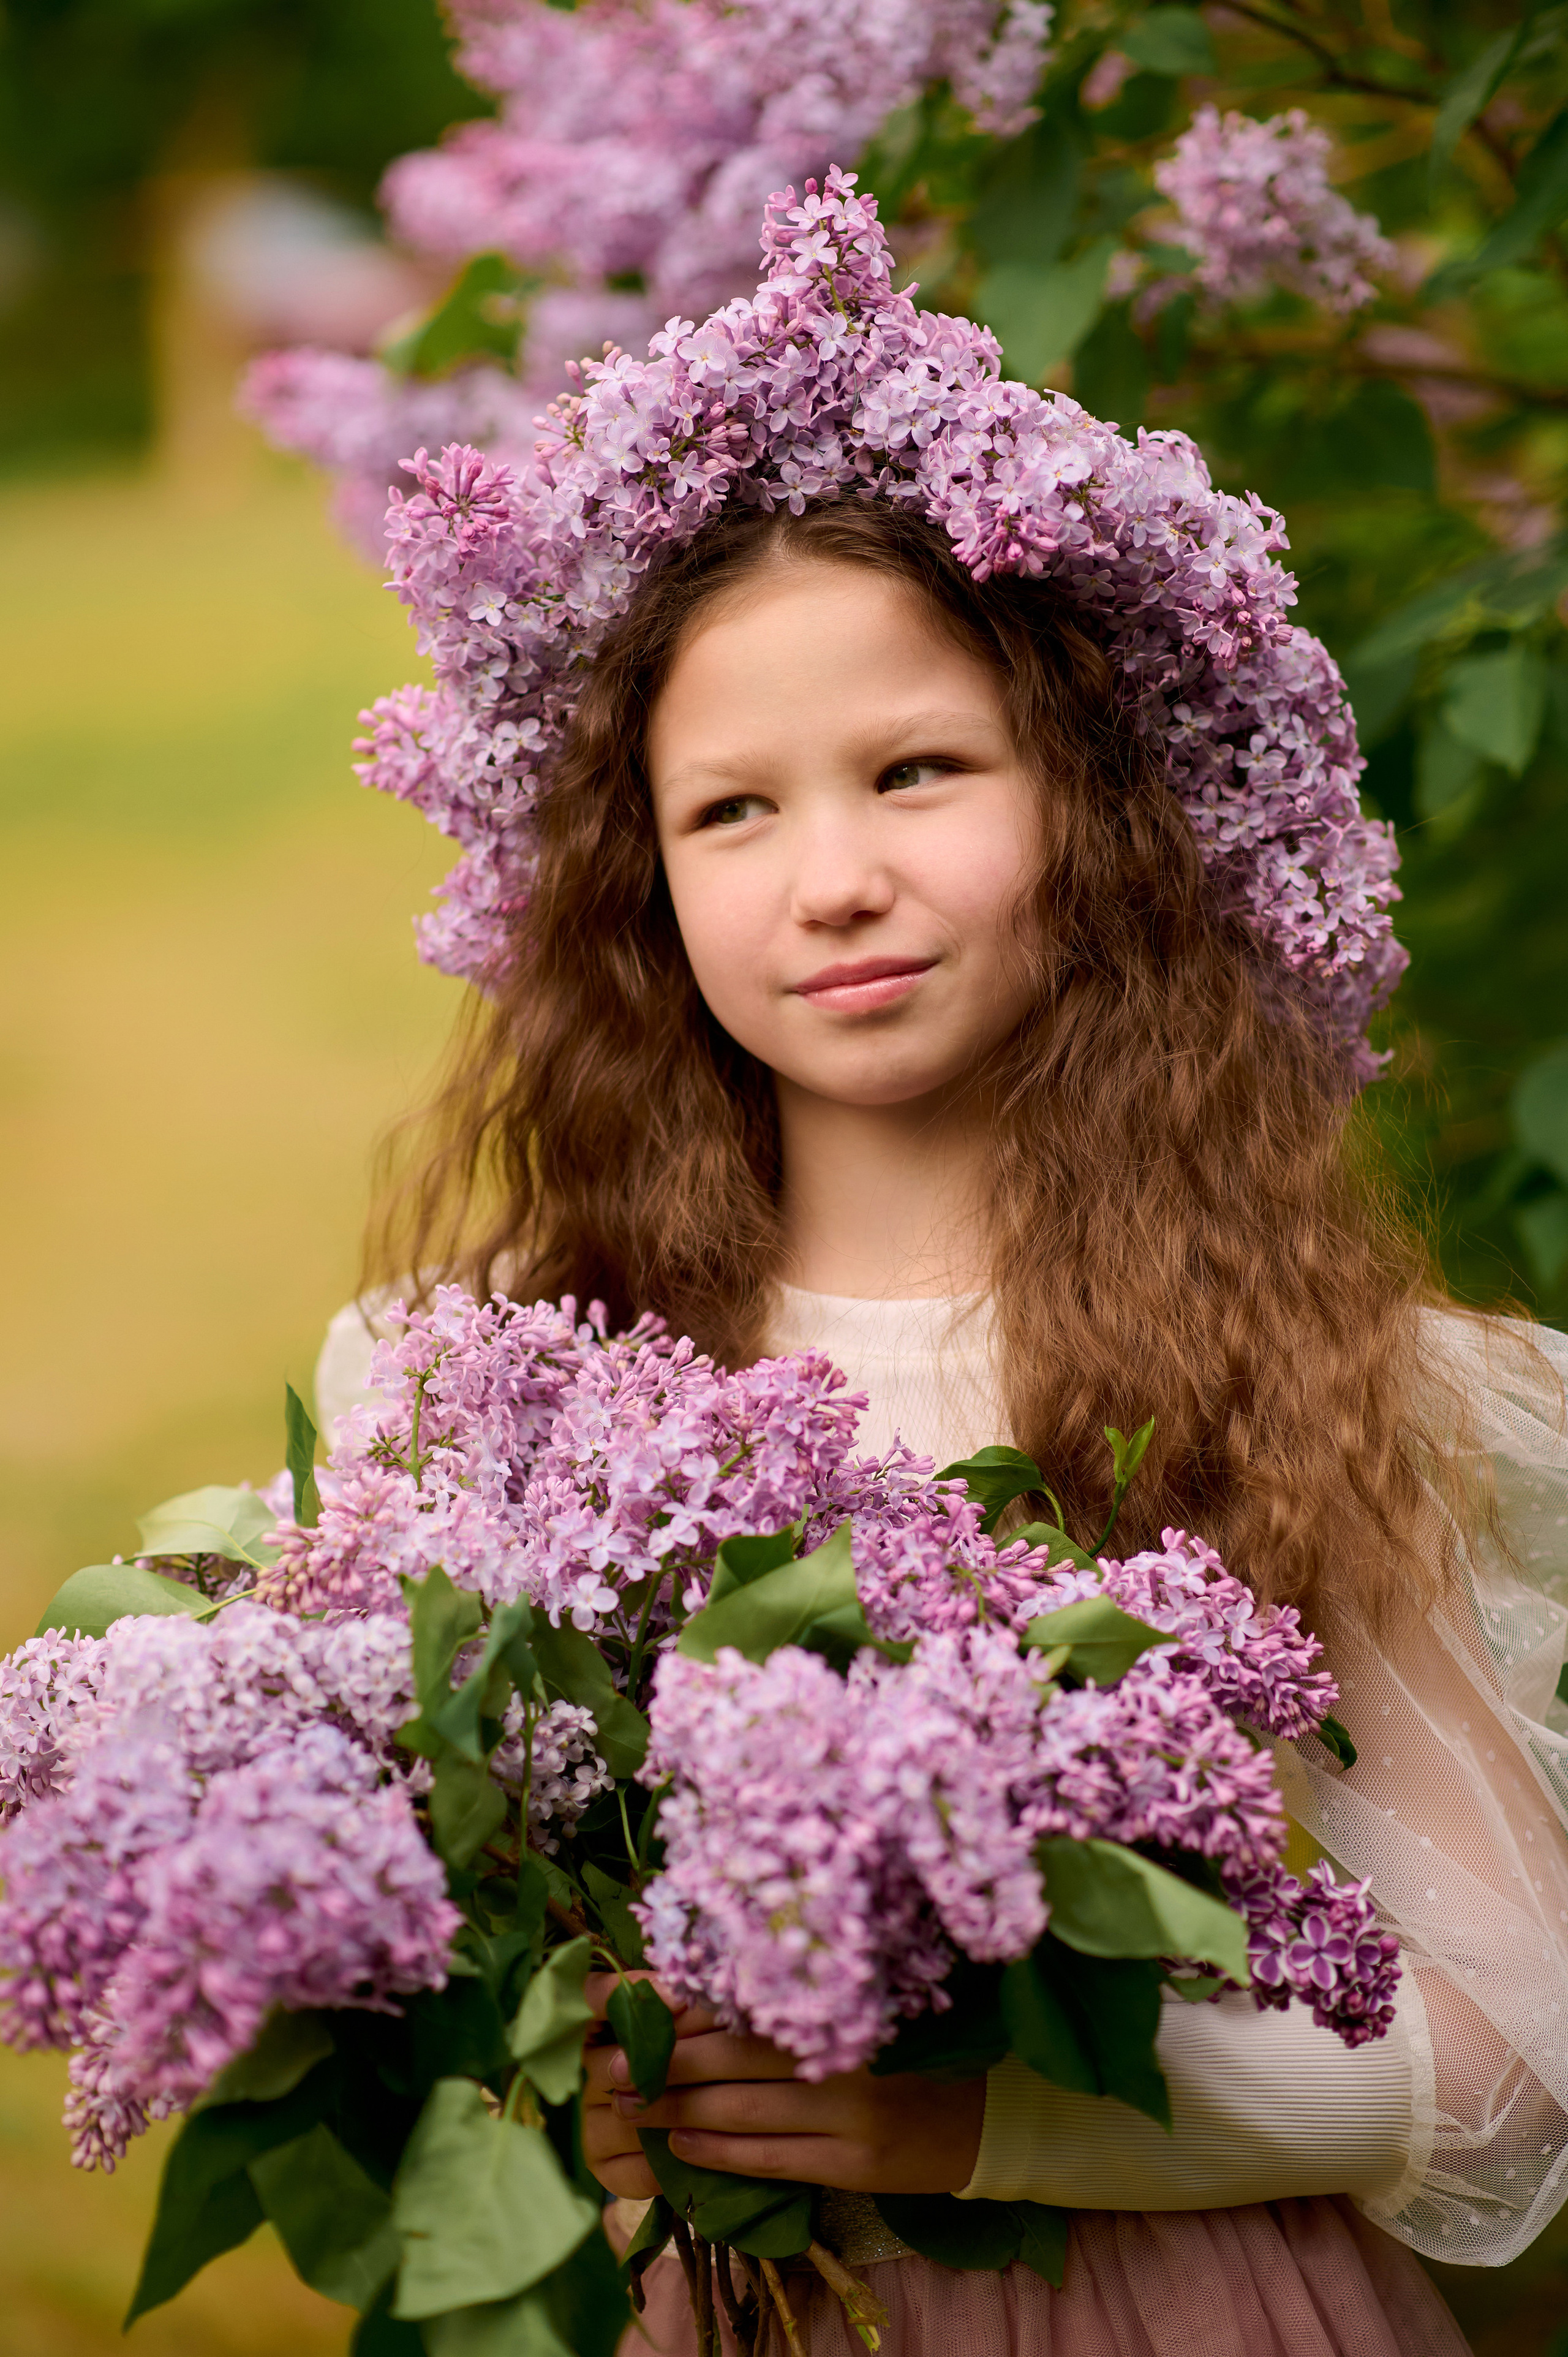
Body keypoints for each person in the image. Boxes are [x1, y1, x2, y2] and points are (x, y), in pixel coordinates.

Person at [315, 182, 1568, 2357]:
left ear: (1086, 810)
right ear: (637, 883)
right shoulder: (496, 1392)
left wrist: (1014, 2115)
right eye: (733, 812)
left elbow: (1516, 2053)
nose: (839, 880)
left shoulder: (1295, 1365)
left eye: (918, 770)